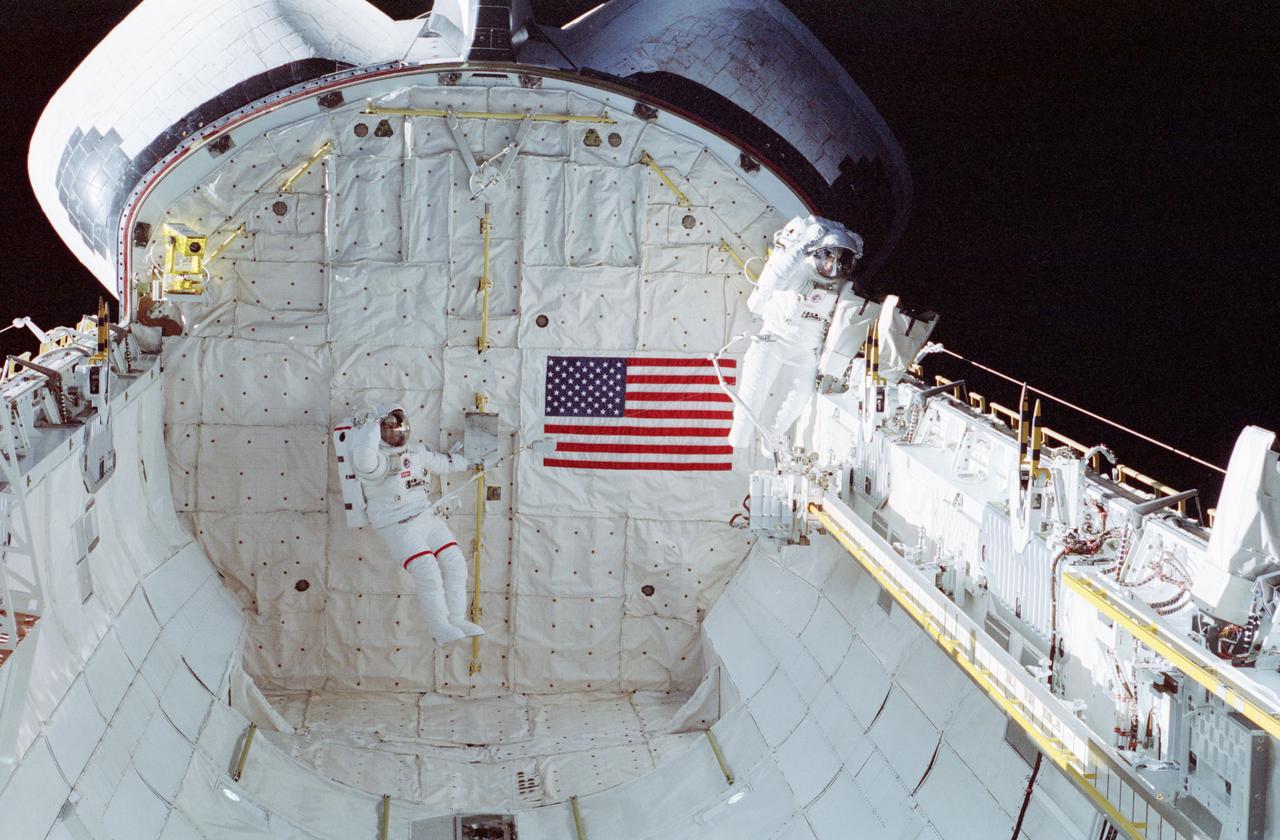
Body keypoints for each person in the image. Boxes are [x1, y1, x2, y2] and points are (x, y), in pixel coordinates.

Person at [727, 215, 872, 454]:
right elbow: (774, 278)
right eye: (830, 260)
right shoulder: (798, 271)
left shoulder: (839, 283)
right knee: (752, 398)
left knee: (798, 397)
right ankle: (738, 441)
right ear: (818, 254)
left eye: (841, 262)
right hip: (773, 341)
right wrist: (802, 244)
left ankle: (771, 440)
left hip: (805, 351)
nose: (834, 268)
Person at [351, 406, 485, 644]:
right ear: (377, 432)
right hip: (397, 524)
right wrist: (370, 426)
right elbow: (365, 460)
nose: (395, 433)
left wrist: (471, 463)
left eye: (398, 427)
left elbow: (442, 464)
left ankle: (456, 618)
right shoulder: (373, 460)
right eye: (388, 428)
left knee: (455, 563)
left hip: (424, 515)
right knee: (428, 571)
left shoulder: (416, 451)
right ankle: (439, 626)